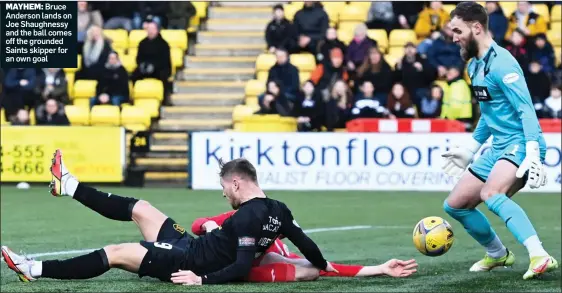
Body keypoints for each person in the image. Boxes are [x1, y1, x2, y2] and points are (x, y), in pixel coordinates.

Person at [2, 152, 339, 285]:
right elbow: (307, 245)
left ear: (237, 183)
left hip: (184, 259)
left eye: (225, 187)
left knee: (118, 252)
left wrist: (200, 280)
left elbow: (239, 269)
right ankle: (69, 185)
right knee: (142, 207)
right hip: (190, 244)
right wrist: (322, 264)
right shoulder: (280, 210)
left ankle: (32, 269)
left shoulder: (249, 217)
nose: (224, 194)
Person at [443, 2, 558, 280]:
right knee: (455, 205)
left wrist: (532, 149)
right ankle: (498, 254)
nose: (454, 37)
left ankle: (540, 255)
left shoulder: (503, 62)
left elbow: (525, 108)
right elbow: (489, 112)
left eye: (458, 30)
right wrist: (472, 147)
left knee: (491, 194)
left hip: (521, 142)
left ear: (477, 27)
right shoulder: (474, 67)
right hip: (498, 147)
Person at [191, 210, 418, 283]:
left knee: (308, 269)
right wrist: (210, 226)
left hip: (254, 261)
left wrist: (380, 268)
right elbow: (196, 224)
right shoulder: (245, 217)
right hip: (219, 260)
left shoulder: (277, 245)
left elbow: (322, 266)